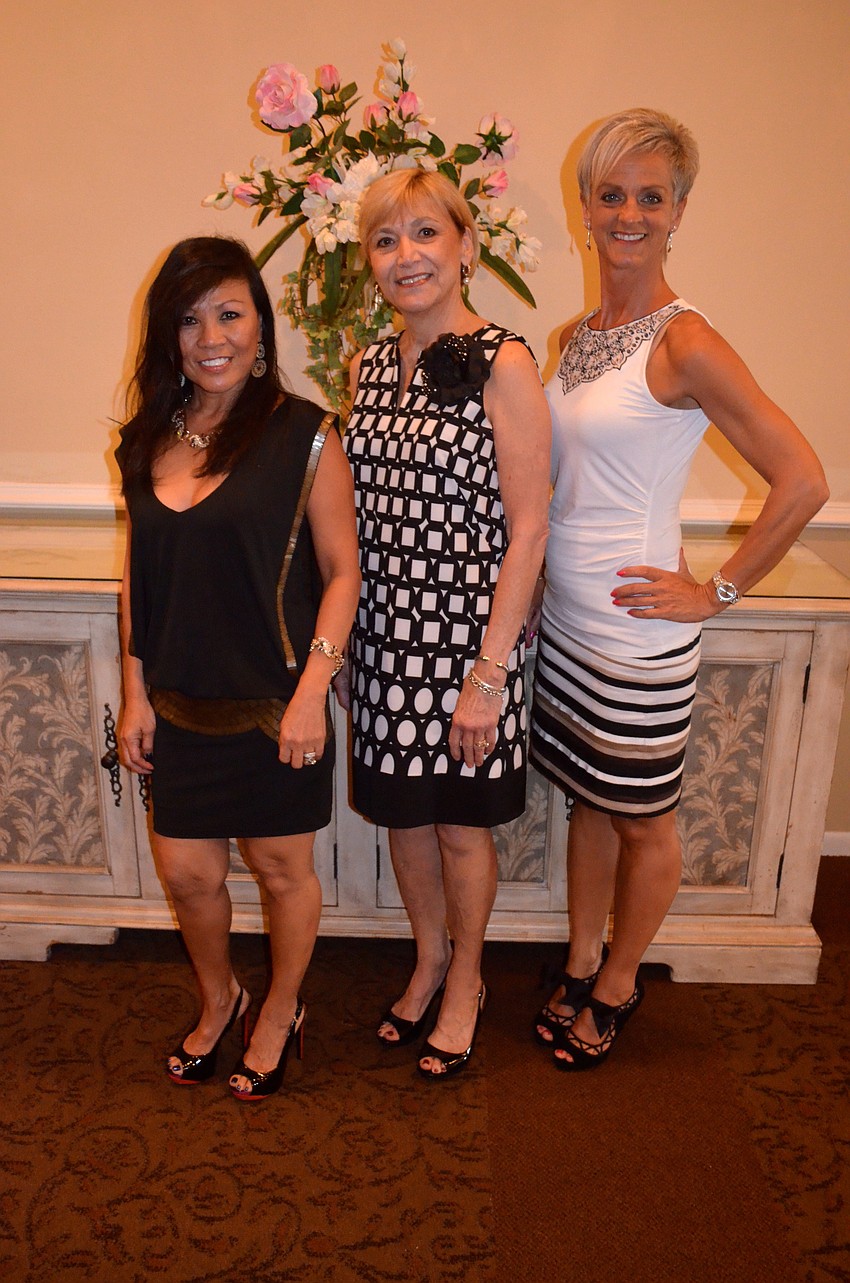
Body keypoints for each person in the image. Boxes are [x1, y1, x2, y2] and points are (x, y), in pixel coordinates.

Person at [530, 109, 828, 1070]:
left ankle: (619, 983)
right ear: (585, 210)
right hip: (565, 624)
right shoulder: (573, 336)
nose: (627, 213)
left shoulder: (687, 340)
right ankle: (579, 959)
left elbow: (805, 477)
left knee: (642, 814)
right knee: (587, 799)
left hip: (636, 628)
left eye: (649, 196)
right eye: (610, 194)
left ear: (678, 212)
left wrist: (719, 590)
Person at [116, 236, 360, 1100]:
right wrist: (134, 693)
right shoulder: (148, 438)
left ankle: (282, 1007)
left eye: (229, 312)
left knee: (283, 869)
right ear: (168, 334)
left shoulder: (305, 435)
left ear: (260, 325)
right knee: (188, 874)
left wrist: (312, 694)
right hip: (178, 707)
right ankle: (221, 997)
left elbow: (343, 574)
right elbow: (138, 576)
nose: (209, 335)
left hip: (274, 708)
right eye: (189, 318)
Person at [339, 169, 550, 1078]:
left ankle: (467, 976)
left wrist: (489, 673)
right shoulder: (366, 366)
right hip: (387, 639)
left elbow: (531, 524)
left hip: (472, 644)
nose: (407, 256)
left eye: (426, 233)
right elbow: (359, 516)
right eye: (387, 241)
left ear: (466, 244)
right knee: (404, 819)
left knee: (462, 827)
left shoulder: (505, 361)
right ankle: (426, 957)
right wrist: (345, 644)